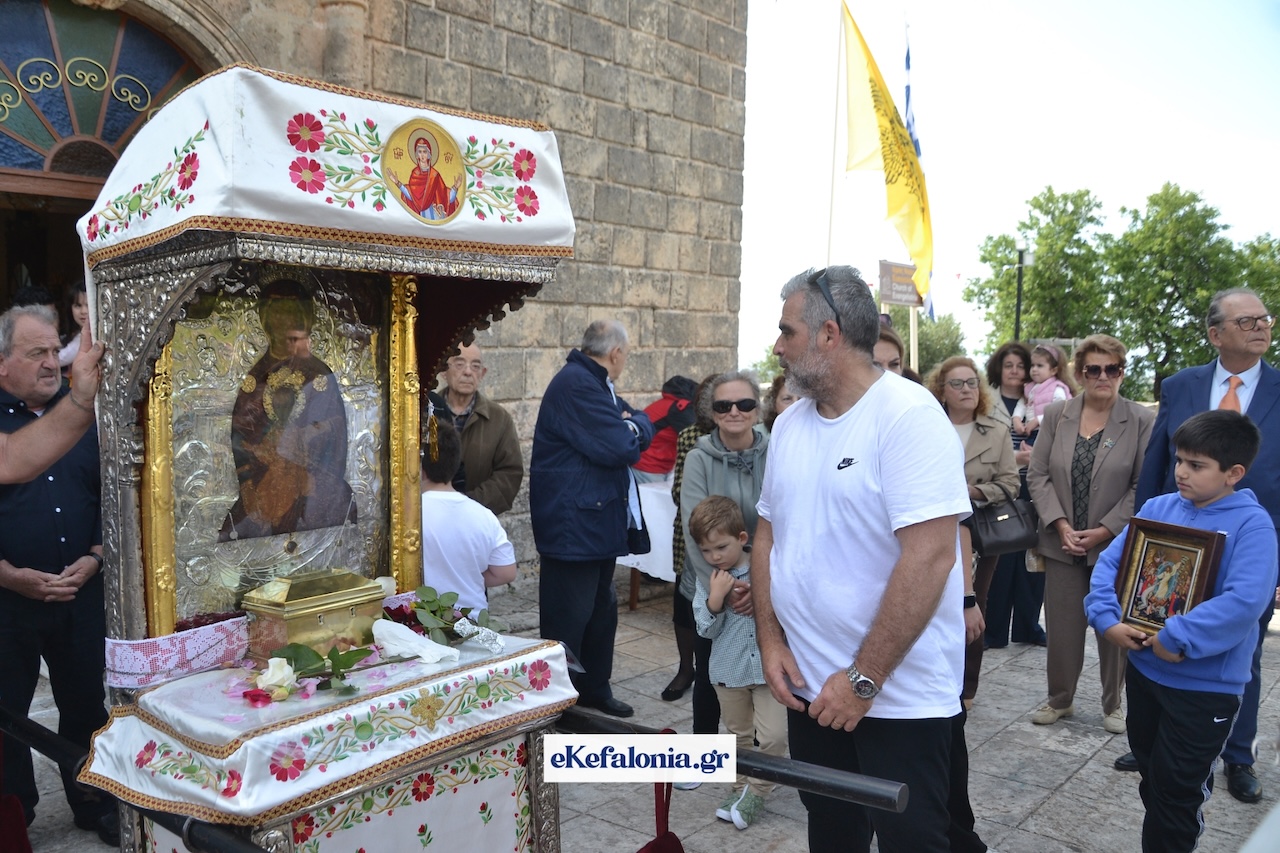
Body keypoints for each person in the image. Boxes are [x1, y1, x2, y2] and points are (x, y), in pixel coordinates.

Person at [754, 265, 972, 852]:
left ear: (828, 335)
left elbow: (929, 559)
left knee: (914, 840)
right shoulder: (792, 421)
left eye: (787, 331)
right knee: (831, 833)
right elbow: (767, 538)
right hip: (809, 687)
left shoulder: (909, 417)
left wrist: (862, 681)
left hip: (897, 699)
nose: (777, 346)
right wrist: (772, 642)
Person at [1112, 288, 1280, 803]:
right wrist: (1144, 532)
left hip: (1250, 547)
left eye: (1264, 318)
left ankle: (1237, 755)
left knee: (1238, 648)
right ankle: (1154, 740)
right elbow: (1160, 465)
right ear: (1215, 334)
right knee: (1154, 628)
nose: (1261, 326)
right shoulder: (1182, 384)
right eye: (1247, 320)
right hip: (1171, 545)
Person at [1085, 410, 1276, 853]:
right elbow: (1112, 566)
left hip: (1205, 688)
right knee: (1154, 778)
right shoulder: (1158, 507)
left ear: (1234, 473)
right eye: (1179, 460)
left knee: (1177, 792)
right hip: (1147, 676)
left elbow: (1245, 601)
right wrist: (1107, 618)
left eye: (1196, 465)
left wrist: (1176, 637)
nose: (1181, 472)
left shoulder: (1253, 525)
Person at [0, 305, 118, 846]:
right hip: (8, 601)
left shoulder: (94, 423)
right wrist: (7, 575)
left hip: (80, 594)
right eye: (37, 353)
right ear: (2, 364)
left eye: (55, 350)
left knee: (86, 705)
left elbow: (113, 497)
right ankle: (14, 817)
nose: (53, 363)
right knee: (7, 717)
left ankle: (92, 801)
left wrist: (95, 555)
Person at [1026, 334, 1154, 734]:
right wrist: (1061, 525)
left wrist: (1103, 530)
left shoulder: (1141, 419)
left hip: (1114, 545)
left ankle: (1114, 704)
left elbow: (1142, 485)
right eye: (1094, 369)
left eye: (1112, 368)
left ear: (1122, 372)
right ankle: (1059, 699)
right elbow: (1038, 474)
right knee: (1062, 626)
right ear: (1080, 373)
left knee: (1113, 627)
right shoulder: (1058, 413)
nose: (1103, 376)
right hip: (1061, 539)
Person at [530, 320, 653, 718]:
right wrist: (633, 425)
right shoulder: (579, 384)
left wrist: (632, 422)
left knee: (601, 614)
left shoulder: (592, 382)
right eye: (626, 355)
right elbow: (621, 446)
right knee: (569, 620)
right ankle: (560, 703)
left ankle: (594, 689)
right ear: (616, 353)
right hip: (574, 529)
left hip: (593, 525)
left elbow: (631, 423)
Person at [218, 280, 355, 541]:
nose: (284, 320)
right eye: (277, 313)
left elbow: (335, 438)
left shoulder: (319, 376)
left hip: (310, 482)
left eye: (291, 313)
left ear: (303, 319)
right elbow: (241, 435)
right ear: (266, 319)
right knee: (238, 533)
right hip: (264, 483)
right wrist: (249, 486)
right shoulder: (256, 378)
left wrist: (307, 472)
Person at [679, 370, 767, 744]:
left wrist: (761, 585)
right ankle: (703, 754)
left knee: (766, 666)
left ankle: (765, 758)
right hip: (709, 581)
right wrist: (726, 589)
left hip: (764, 580)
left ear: (757, 410)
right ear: (712, 413)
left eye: (744, 403)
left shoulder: (775, 452)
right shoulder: (699, 458)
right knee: (709, 673)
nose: (734, 411)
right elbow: (692, 528)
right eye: (723, 405)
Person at [690, 495, 787, 830]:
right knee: (737, 736)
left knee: (774, 734)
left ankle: (758, 790)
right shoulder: (710, 580)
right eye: (706, 550)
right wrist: (716, 599)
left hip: (767, 670)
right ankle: (738, 788)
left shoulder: (766, 567)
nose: (714, 556)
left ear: (742, 538)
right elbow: (705, 629)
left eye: (721, 547)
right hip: (727, 673)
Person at [927, 357, 1019, 706]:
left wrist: (971, 492)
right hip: (930, 527)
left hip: (978, 531)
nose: (966, 390)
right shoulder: (928, 427)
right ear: (941, 390)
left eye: (971, 383)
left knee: (972, 604)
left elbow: (1011, 483)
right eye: (957, 384)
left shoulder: (995, 431)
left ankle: (966, 688)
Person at [982, 341, 1047, 649]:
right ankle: (993, 631)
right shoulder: (986, 400)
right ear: (999, 368)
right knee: (1001, 560)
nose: (1015, 371)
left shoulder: (1040, 399)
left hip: (1035, 487)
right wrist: (1013, 458)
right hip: (1000, 488)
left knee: (1033, 563)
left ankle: (1028, 627)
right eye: (1009, 365)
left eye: (1021, 366)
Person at [661, 374, 717, 707]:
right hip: (691, 532)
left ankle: (716, 672)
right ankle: (686, 669)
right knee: (684, 606)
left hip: (734, 535)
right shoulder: (690, 436)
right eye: (717, 406)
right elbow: (678, 491)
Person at [419, 418, 516, 611]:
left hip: (422, 622)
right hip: (474, 621)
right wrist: (466, 578)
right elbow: (506, 572)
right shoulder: (484, 515)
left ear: (419, 468)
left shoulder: (410, 515)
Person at [426, 341, 523, 514]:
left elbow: (509, 474)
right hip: (430, 515)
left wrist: (468, 505)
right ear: (443, 371)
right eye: (459, 364)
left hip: (478, 517)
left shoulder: (499, 419)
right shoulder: (428, 410)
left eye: (475, 366)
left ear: (483, 373)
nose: (468, 372)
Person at [633, 374, 697, 482]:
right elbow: (698, 437)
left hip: (651, 463)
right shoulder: (680, 410)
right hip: (649, 466)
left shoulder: (669, 404)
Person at [393, 133, 462, 220]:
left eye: (425, 152)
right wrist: (397, 183)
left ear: (429, 154)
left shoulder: (434, 174)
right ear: (416, 154)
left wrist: (455, 187)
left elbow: (446, 198)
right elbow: (412, 197)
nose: (422, 155)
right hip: (422, 216)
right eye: (420, 151)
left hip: (435, 215)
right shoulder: (415, 173)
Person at [1015, 343, 1073, 437]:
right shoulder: (1030, 387)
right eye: (1032, 365)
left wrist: (1037, 420)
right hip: (1031, 432)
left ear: (1053, 370)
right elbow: (1022, 404)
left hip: (1048, 433)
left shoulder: (1057, 389)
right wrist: (1016, 418)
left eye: (1039, 365)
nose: (1034, 369)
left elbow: (1062, 412)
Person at [58, 280, 89, 370]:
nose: (83, 311)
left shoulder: (86, 339)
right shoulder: (75, 334)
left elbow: (60, 359)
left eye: (88, 305)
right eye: (78, 306)